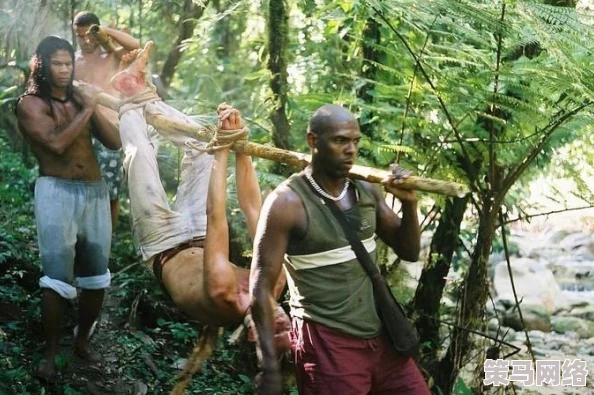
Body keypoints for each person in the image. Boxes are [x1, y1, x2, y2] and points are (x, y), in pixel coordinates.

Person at [106, 44, 290, 346]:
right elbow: (254, 210)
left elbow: (216, 216)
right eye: (287, 330)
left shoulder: (224, 294)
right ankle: (141, 94)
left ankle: (130, 104)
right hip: (198, 235)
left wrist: (223, 148)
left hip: (162, 245)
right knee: (201, 148)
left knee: (139, 159)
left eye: (273, 331)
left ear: (251, 332)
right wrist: (239, 143)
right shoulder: (276, 281)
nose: (281, 323)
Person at [250, 104, 432, 394]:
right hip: (328, 345)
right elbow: (260, 288)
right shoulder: (286, 204)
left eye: (355, 141)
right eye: (340, 141)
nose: (351, 150)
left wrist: (410, 204)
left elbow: (409, 251)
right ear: (313, 141)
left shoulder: (367, 190)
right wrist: (269, 366)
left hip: (384, 340)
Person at [15, 36, 121, 383]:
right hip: (56, 192)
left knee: (96, 275)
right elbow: (56, 145)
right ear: (42, 66)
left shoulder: (78, 98)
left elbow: (114, 141)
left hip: (94, 191)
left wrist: (90, 104)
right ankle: (49, 354)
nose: (64, 70)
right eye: (57, 64)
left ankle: (81, 340)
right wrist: (89, 107)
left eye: (67, 64)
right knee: (56, 277)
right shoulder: (30, 104)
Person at [73, 11, 140, 231]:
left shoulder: (111, 56)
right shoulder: (73, 60)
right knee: (81, 185)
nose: (85, 40)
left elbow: (135, 46)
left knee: (110, 192)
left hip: (110, 131)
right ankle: (83, 234)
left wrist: (105, 32)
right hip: (82, 130)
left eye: (89, 35)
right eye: (80, 36)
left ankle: (107, 242)